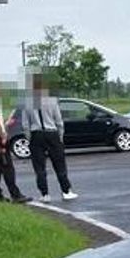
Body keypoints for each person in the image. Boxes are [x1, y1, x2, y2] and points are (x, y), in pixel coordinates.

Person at [24, 72, 76, 202]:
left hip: (36, 134)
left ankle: (45, 194)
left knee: (39, 166)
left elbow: (25, 124)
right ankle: (66, 191)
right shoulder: (52, 100)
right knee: (59, 164)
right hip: (51, 132)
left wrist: (30, 138)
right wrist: (60, 137)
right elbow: (59, 121)